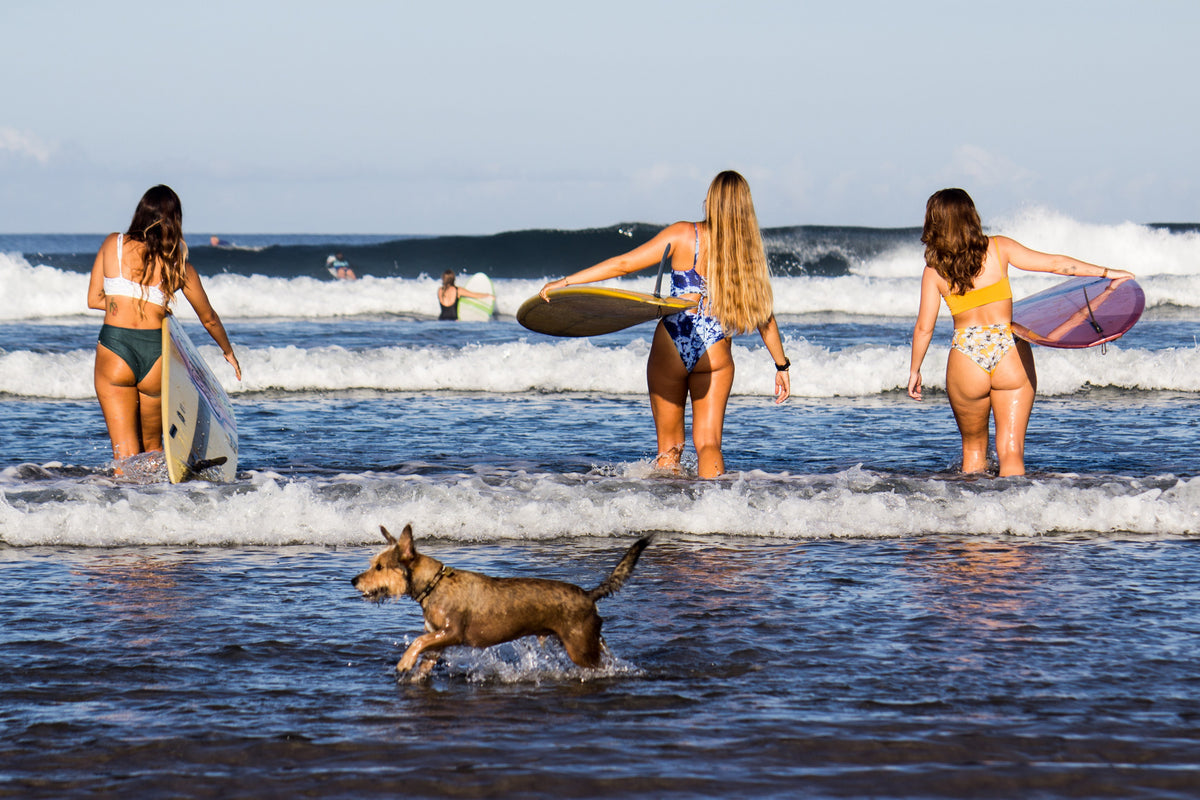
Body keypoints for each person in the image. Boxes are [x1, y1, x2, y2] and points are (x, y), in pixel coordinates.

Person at [538, 170, 790, 478]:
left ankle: (669, 516)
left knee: (670, 447)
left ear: (710, 200)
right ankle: (717, 511)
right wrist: (781, 367)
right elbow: (765, 316)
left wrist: (567, 282)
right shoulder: (745, 254)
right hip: (716, 353)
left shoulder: (685, 234)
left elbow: (623, 264)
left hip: (673, 342)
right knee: (709, 444)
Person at [907, 188, 1133, 477]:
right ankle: (1019, 514)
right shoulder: (999, 247)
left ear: (934, 223)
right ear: (971, 216)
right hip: (1007, 350)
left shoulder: (934, 270)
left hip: (966, 355)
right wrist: (1107, 273)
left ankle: (972, 519)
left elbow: (924, 327)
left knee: (974, 453)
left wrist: (915, 370)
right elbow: (1057, 265)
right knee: (1011, 452)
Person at [87, 185, 242, 467]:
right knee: (155, 450)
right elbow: (209, 318)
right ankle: (160, 504)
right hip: (156, 356)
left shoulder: (113, 244)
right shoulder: (178, 263)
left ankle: (122, 507)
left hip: (114, 350)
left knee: (124, 455)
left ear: (141, 212)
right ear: (175, 220)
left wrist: (128, 304)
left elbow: (94, 299)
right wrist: (228, 351)